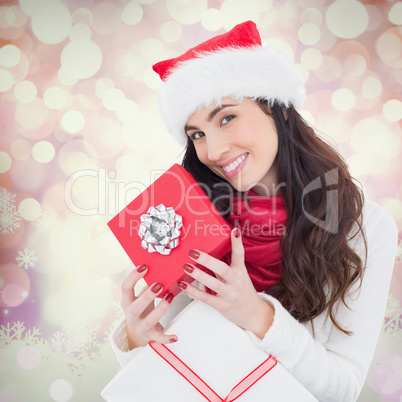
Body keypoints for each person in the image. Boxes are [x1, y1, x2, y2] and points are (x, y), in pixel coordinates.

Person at [110, 21, 398, 401]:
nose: (212, 150)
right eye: (196, 134)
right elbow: (168, 377)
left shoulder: (363, 227)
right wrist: (138, 337)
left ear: (275, 107)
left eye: (226, 117)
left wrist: (257, 316)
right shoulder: (191, 218)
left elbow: (342, 391)